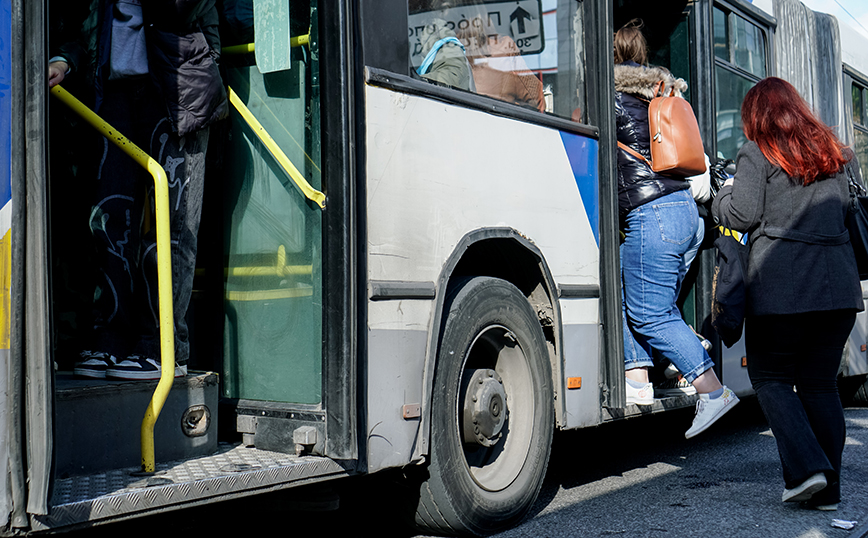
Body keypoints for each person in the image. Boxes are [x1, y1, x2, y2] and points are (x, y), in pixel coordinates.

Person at [48, 0, 227, 380]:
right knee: (109, 218)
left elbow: (183, 8)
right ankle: (110, 338)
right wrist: (65, 59)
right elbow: (87, 25)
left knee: (173, 224)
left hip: (177, 86)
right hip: (113, 91)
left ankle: (160, 346)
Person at [712, 77, 863, 510]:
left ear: (756, 116)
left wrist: (720, 194)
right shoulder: (838, 155)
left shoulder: (757, 153)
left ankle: (807, 470)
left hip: (781, 288)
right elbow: (849, 211)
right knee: (819, 385)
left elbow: (740, 215)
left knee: (771, 379)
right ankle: (829, 493)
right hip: (838, 291)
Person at [614, 20, 739, 437]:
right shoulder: (659, 97)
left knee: (650, 314)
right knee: (633, 290)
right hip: (685, 213)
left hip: (653, 215)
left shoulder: (609, 100)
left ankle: (711, 389)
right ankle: (637, 377)